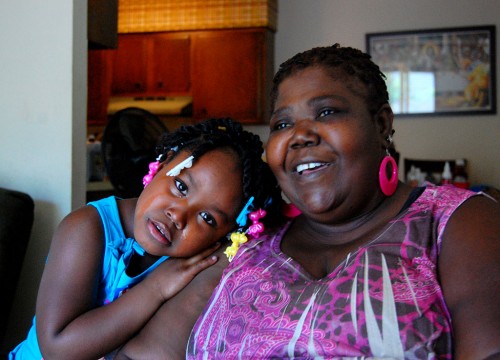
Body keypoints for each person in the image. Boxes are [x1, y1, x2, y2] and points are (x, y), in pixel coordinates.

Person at [184, 44, 500, 358]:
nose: (300, 135)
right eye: (282, 124)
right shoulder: (247, 240)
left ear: (381, 125)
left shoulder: (457, 221)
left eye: (327, 112)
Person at [9, 117, 282, 360]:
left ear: (225, 236)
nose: (178, 215)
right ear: (162, 164)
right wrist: (155, 289)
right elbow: (57, 349)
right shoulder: (88, 228)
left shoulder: (197, 258)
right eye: (181, 186)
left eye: (207, 218)